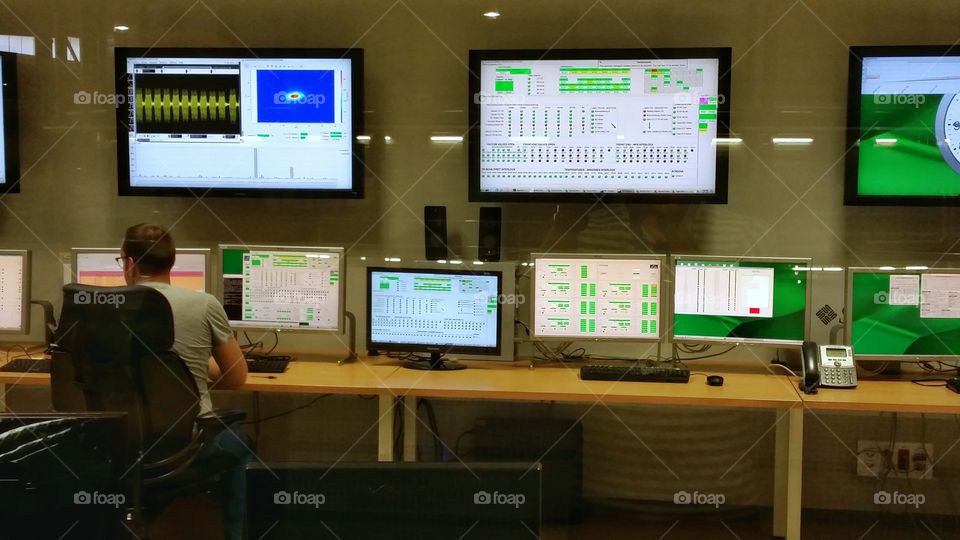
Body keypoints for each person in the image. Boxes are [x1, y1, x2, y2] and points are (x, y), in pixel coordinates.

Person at [120, 223, 251, 540]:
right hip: (188, 441)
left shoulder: (102, 308)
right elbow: (236, 377)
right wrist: (196, 364)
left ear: (131, 263)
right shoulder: (204, 305)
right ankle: (235, 534)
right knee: (239, 443)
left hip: (119, 439)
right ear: (172, 262)